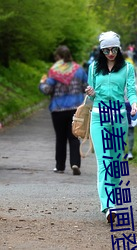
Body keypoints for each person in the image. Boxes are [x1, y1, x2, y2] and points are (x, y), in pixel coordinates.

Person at [85, 31, 137, 223]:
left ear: (119, 48)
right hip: (99, 117)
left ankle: (113, 200)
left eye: (113, 49)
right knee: (104, 162)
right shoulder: (93, 68)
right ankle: (108, 206)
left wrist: (133, 104)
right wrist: (90, 92)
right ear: (101, 50)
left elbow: (131, 90)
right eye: (106, 50)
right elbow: (91, 97)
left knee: (115, 163)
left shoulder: (127, 68)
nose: (110, 53)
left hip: (119, 118)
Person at [39, 45, 88, 175]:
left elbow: (47, 90)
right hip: (75, 109)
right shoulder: (79, 70)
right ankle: (75, 163)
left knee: (60, 138)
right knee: (74, 137)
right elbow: (86, 87)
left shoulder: (54, 71)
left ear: (58, 57)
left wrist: (42, 83)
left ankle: (60, 166)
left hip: (58, 109)